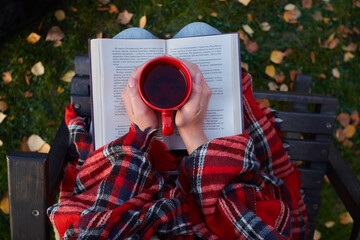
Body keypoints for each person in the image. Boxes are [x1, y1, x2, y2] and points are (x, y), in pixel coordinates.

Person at [47, 23, 308, 239]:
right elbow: (249, 219)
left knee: (132, 37)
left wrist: (144, 131)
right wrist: (194, 133)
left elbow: (94, 223)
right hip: (210, 172)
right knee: (198, 31)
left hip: (137, 178)